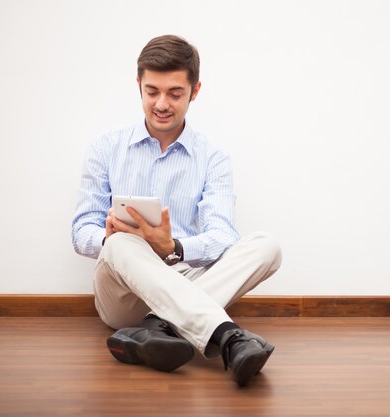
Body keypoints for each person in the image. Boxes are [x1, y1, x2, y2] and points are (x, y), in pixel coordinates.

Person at [71, 34, 282, 387]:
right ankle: (227, 336)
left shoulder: (212, 158)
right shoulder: (105, 148)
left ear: (195, 91)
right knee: (122, 243)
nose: (161, 104)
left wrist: (174, 248)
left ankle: (155, 329)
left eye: (175, 93)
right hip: (123, 294)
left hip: (182, 276)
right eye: (152, 91)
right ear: (138, 85)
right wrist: (109, 237)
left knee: (267, 246)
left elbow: (224, 235)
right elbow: (80, 232)